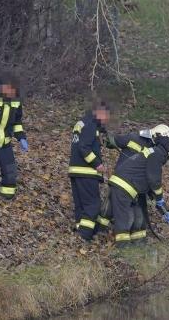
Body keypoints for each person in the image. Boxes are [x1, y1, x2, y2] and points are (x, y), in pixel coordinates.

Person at [108, 124, 169, 247]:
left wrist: (164, 209)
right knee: (124, 217)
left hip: (128, 185)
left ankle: (138, 245)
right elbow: (154, 180)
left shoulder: (155, 152)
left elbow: (148, 180)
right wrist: (160, 200)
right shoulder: (157, 155)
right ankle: (123, 248)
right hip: (123, 184)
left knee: (135, 215)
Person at [69, 101, 111, 241]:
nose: (107, 119)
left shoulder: (82, 122)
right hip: (86, 171)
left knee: (81, 204)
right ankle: (84, 236)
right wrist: (97, 164)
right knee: (93, 204)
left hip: (75, 170)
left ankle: (80, 230)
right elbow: (84, 147)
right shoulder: (91, 124)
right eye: (107, 115)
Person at [104, 129, 156, 242]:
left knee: (110, 209)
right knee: (135, 215)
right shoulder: (154, 152)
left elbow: (111, 141)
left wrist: (108, 135)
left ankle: (99, 232)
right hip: (137, 186)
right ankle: (137, 243)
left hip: (121, 182)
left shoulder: (133, 138)